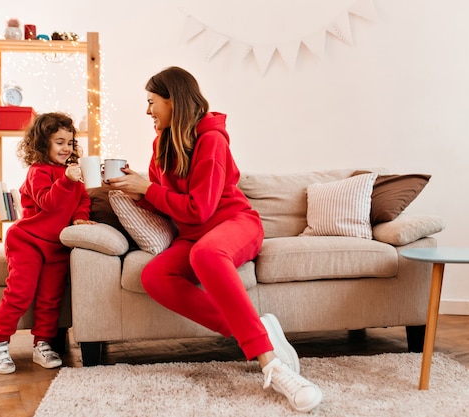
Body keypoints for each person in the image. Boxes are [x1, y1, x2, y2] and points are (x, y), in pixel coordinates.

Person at [107, 67, 322, 412]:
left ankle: (271, 365)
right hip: (194, 236)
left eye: (151, 102)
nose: (147, 111)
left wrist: (149, 189)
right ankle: (257, 331)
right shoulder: (161, 143)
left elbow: (200, 209)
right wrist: (136, 191)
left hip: (233, 223)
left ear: (172, 100)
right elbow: (169, 202)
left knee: (205, 256)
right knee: (154, 276)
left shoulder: (212, 139)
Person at [0, 112, 96, 374]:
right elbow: (48, 202)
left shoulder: (72, 173)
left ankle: (43, 344)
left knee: (50, 299)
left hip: (56, 246)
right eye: (59, 142)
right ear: (42, 143)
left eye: (69, 143)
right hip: (28, 241)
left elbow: (82, 200)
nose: (65, 148)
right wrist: (66, 180)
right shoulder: (39, 171)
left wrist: (80, 218)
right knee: (20, 292)